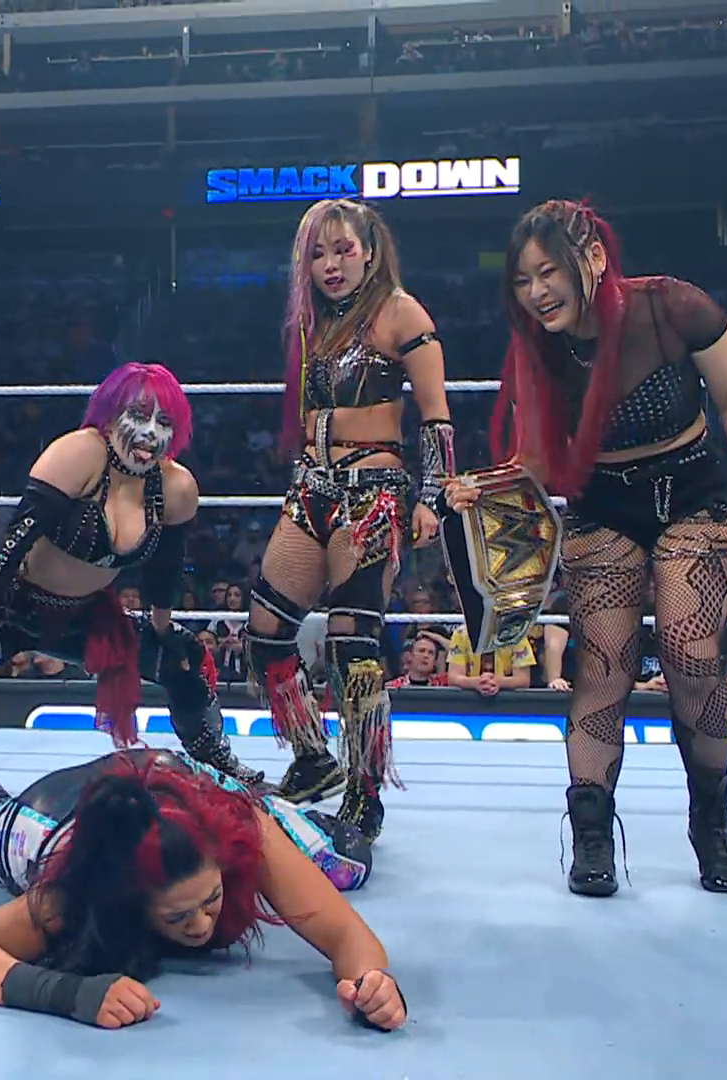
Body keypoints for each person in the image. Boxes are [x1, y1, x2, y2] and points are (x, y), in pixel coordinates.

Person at [448, 198, 727, 898]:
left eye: (549, 272)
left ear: (592, 259)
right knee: (602, 667)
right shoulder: (536, 348)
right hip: (602, 503)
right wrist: (480, 487)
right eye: (523, 279)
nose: (537, 292)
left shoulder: (672, 307)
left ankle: (712, 824)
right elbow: (536, 461)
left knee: (690, 653)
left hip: (693, 492)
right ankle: (592, 833)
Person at [0, 362, 264, 871]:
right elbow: (13, 542)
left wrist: (163, 630)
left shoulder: (174, 488)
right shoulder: (78, 454)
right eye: (138, 415)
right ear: (110, 416)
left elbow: (165, 569)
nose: (150, 433)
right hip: (12, 602)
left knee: (186, 663)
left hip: (86, 615)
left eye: (164, 421)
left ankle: (220, 772)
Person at [0, 745, 405, 1032]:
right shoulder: (76, 890)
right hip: (52, 816)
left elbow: (346, 934)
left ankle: (287, 816)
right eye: (176, 916)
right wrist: (69, 994)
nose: (202, 925)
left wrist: (372, 984)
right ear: (129, 900)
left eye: (211, 899)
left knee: (346, 862)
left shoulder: (243, 834)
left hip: (176, 776)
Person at [243, 198, 451, 841]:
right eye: (318, 253)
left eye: (343, 250)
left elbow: (436, 417)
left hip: (372, 493)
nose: (330, 265)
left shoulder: (401, 312)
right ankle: (312, 757)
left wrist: (433, 495)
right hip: (311, 486)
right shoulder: (313, 323)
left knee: (351, 644)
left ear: (370, 251)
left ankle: (365, 790)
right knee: (265, 631)